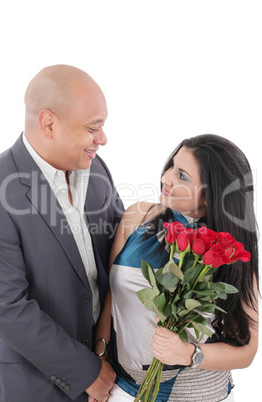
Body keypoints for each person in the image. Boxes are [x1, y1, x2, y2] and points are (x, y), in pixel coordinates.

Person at [0, 65, 124, 402]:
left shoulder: (96, 168)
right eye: (93, 128)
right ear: (49, 123)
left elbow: (119, 251)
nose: (103, 139)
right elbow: (6, 306)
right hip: (36, 385)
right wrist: (86, 372)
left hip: (112, 374)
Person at [95, 134, 259, 401]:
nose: (166, 178)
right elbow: (110, 299)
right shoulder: (138, 217)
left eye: (182, 175)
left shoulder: (229, 252)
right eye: (171, 166)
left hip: (196, 393)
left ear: (211, 195)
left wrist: (188, 353)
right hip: (122, 385)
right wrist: (99, 358)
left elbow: (247, 350)